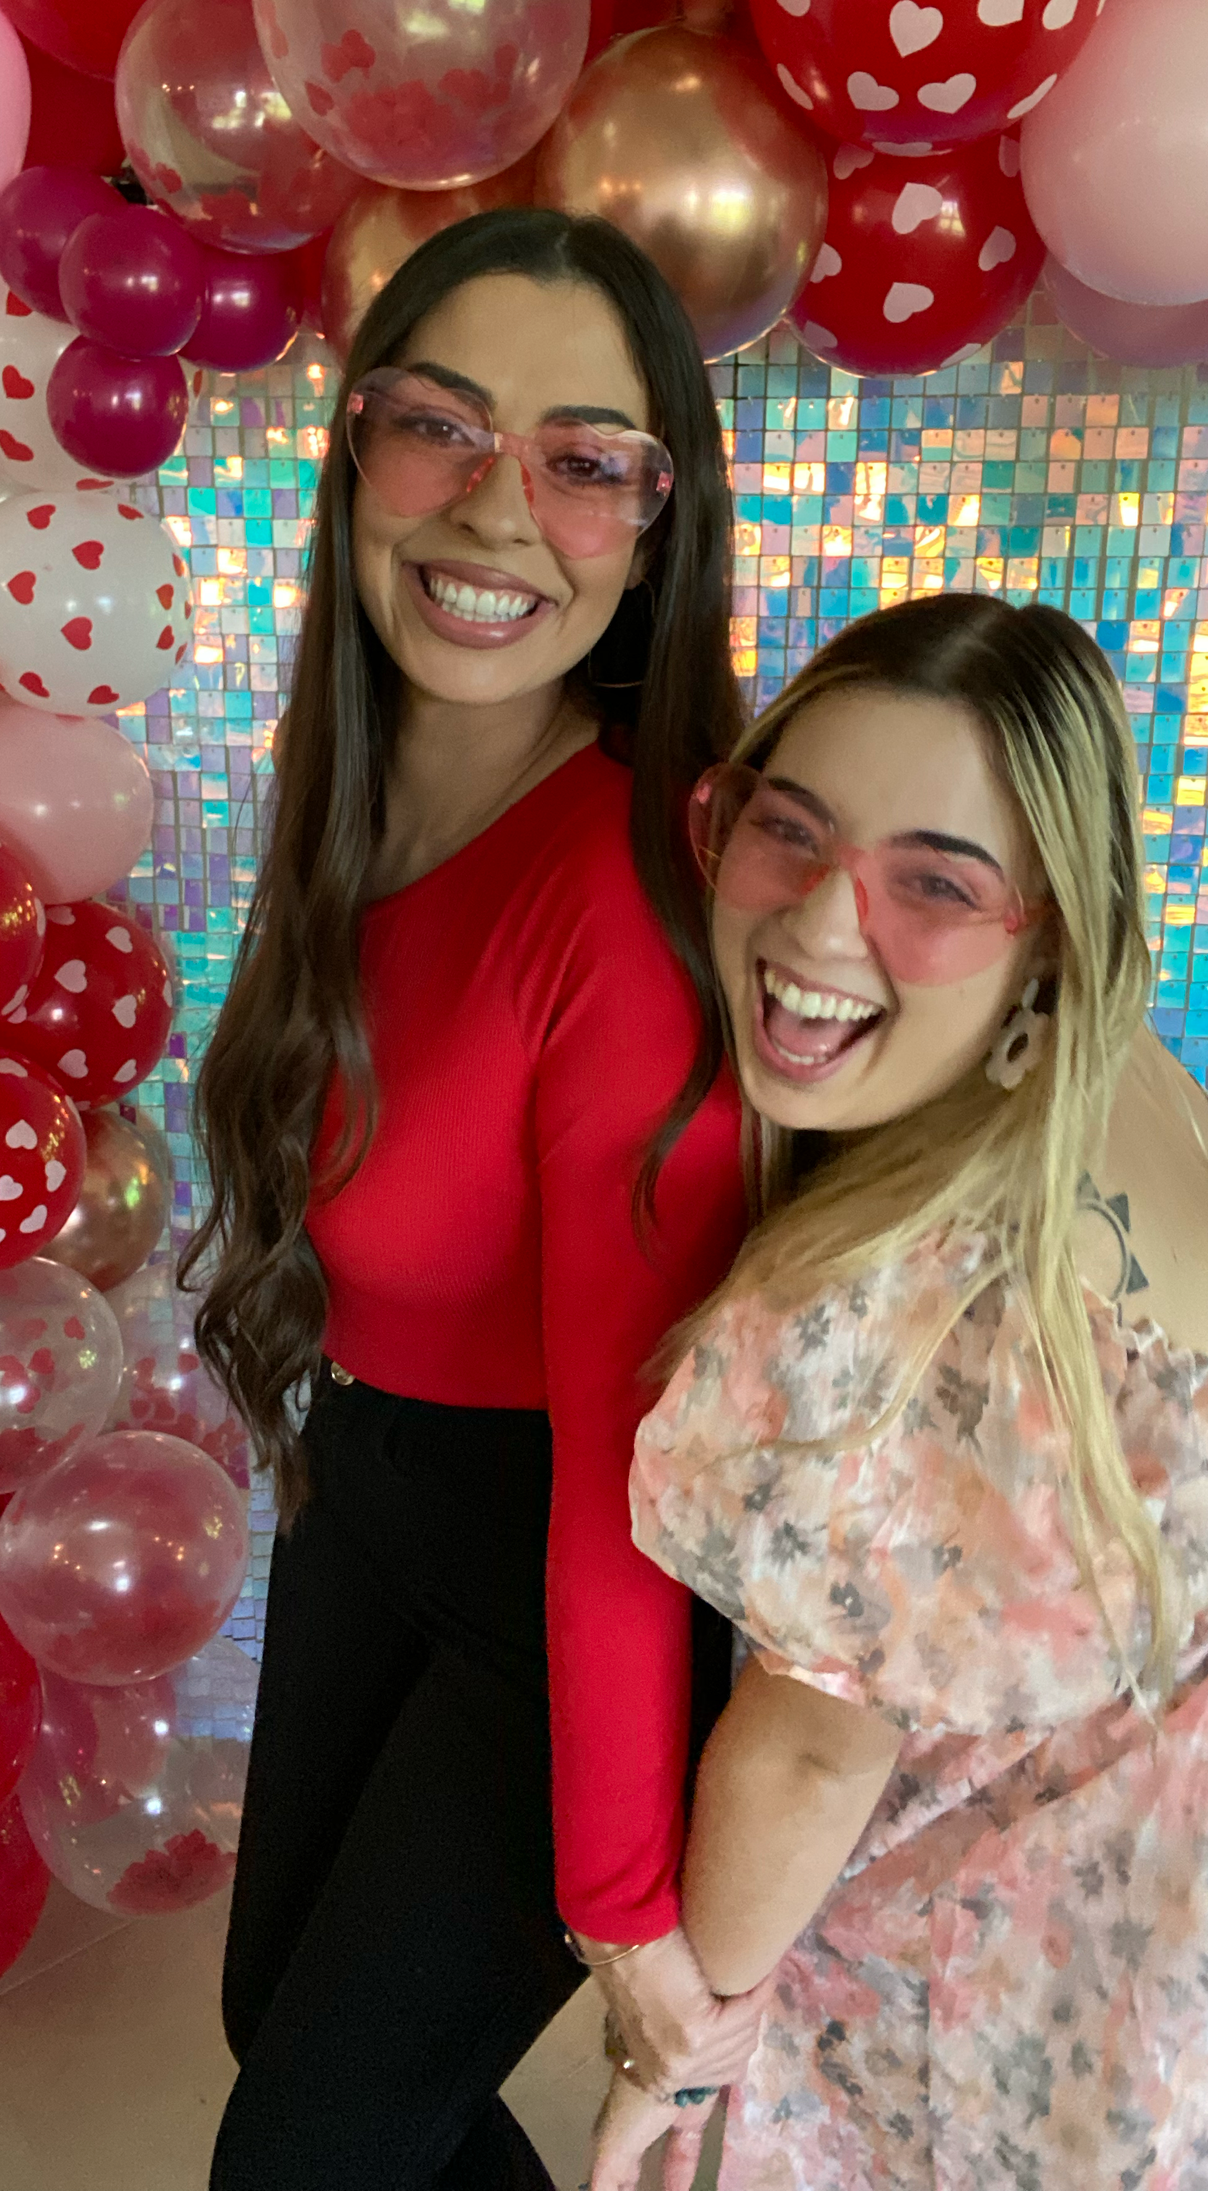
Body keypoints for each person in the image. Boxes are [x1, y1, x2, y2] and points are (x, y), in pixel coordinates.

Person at [591, 591, 1208, 2190]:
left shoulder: (867, 1297)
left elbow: (807, 1755)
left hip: (1158, 1856)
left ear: (1051, 930)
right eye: (786, 830)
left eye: (933, 883)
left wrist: (680, 2042)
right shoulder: (1114, 1053)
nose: (820, 930)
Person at [188, 207, 770, 2190]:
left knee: (303, 2156)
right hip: (373, 1486)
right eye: (441, 423)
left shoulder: (621, 893)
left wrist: (622, 1905)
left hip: (566, 1578)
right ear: (355, 450)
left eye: (584, 457)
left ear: (655, 526)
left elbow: (627, 1461)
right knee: (296, 2043)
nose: (499, 507)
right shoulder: (351, 785)